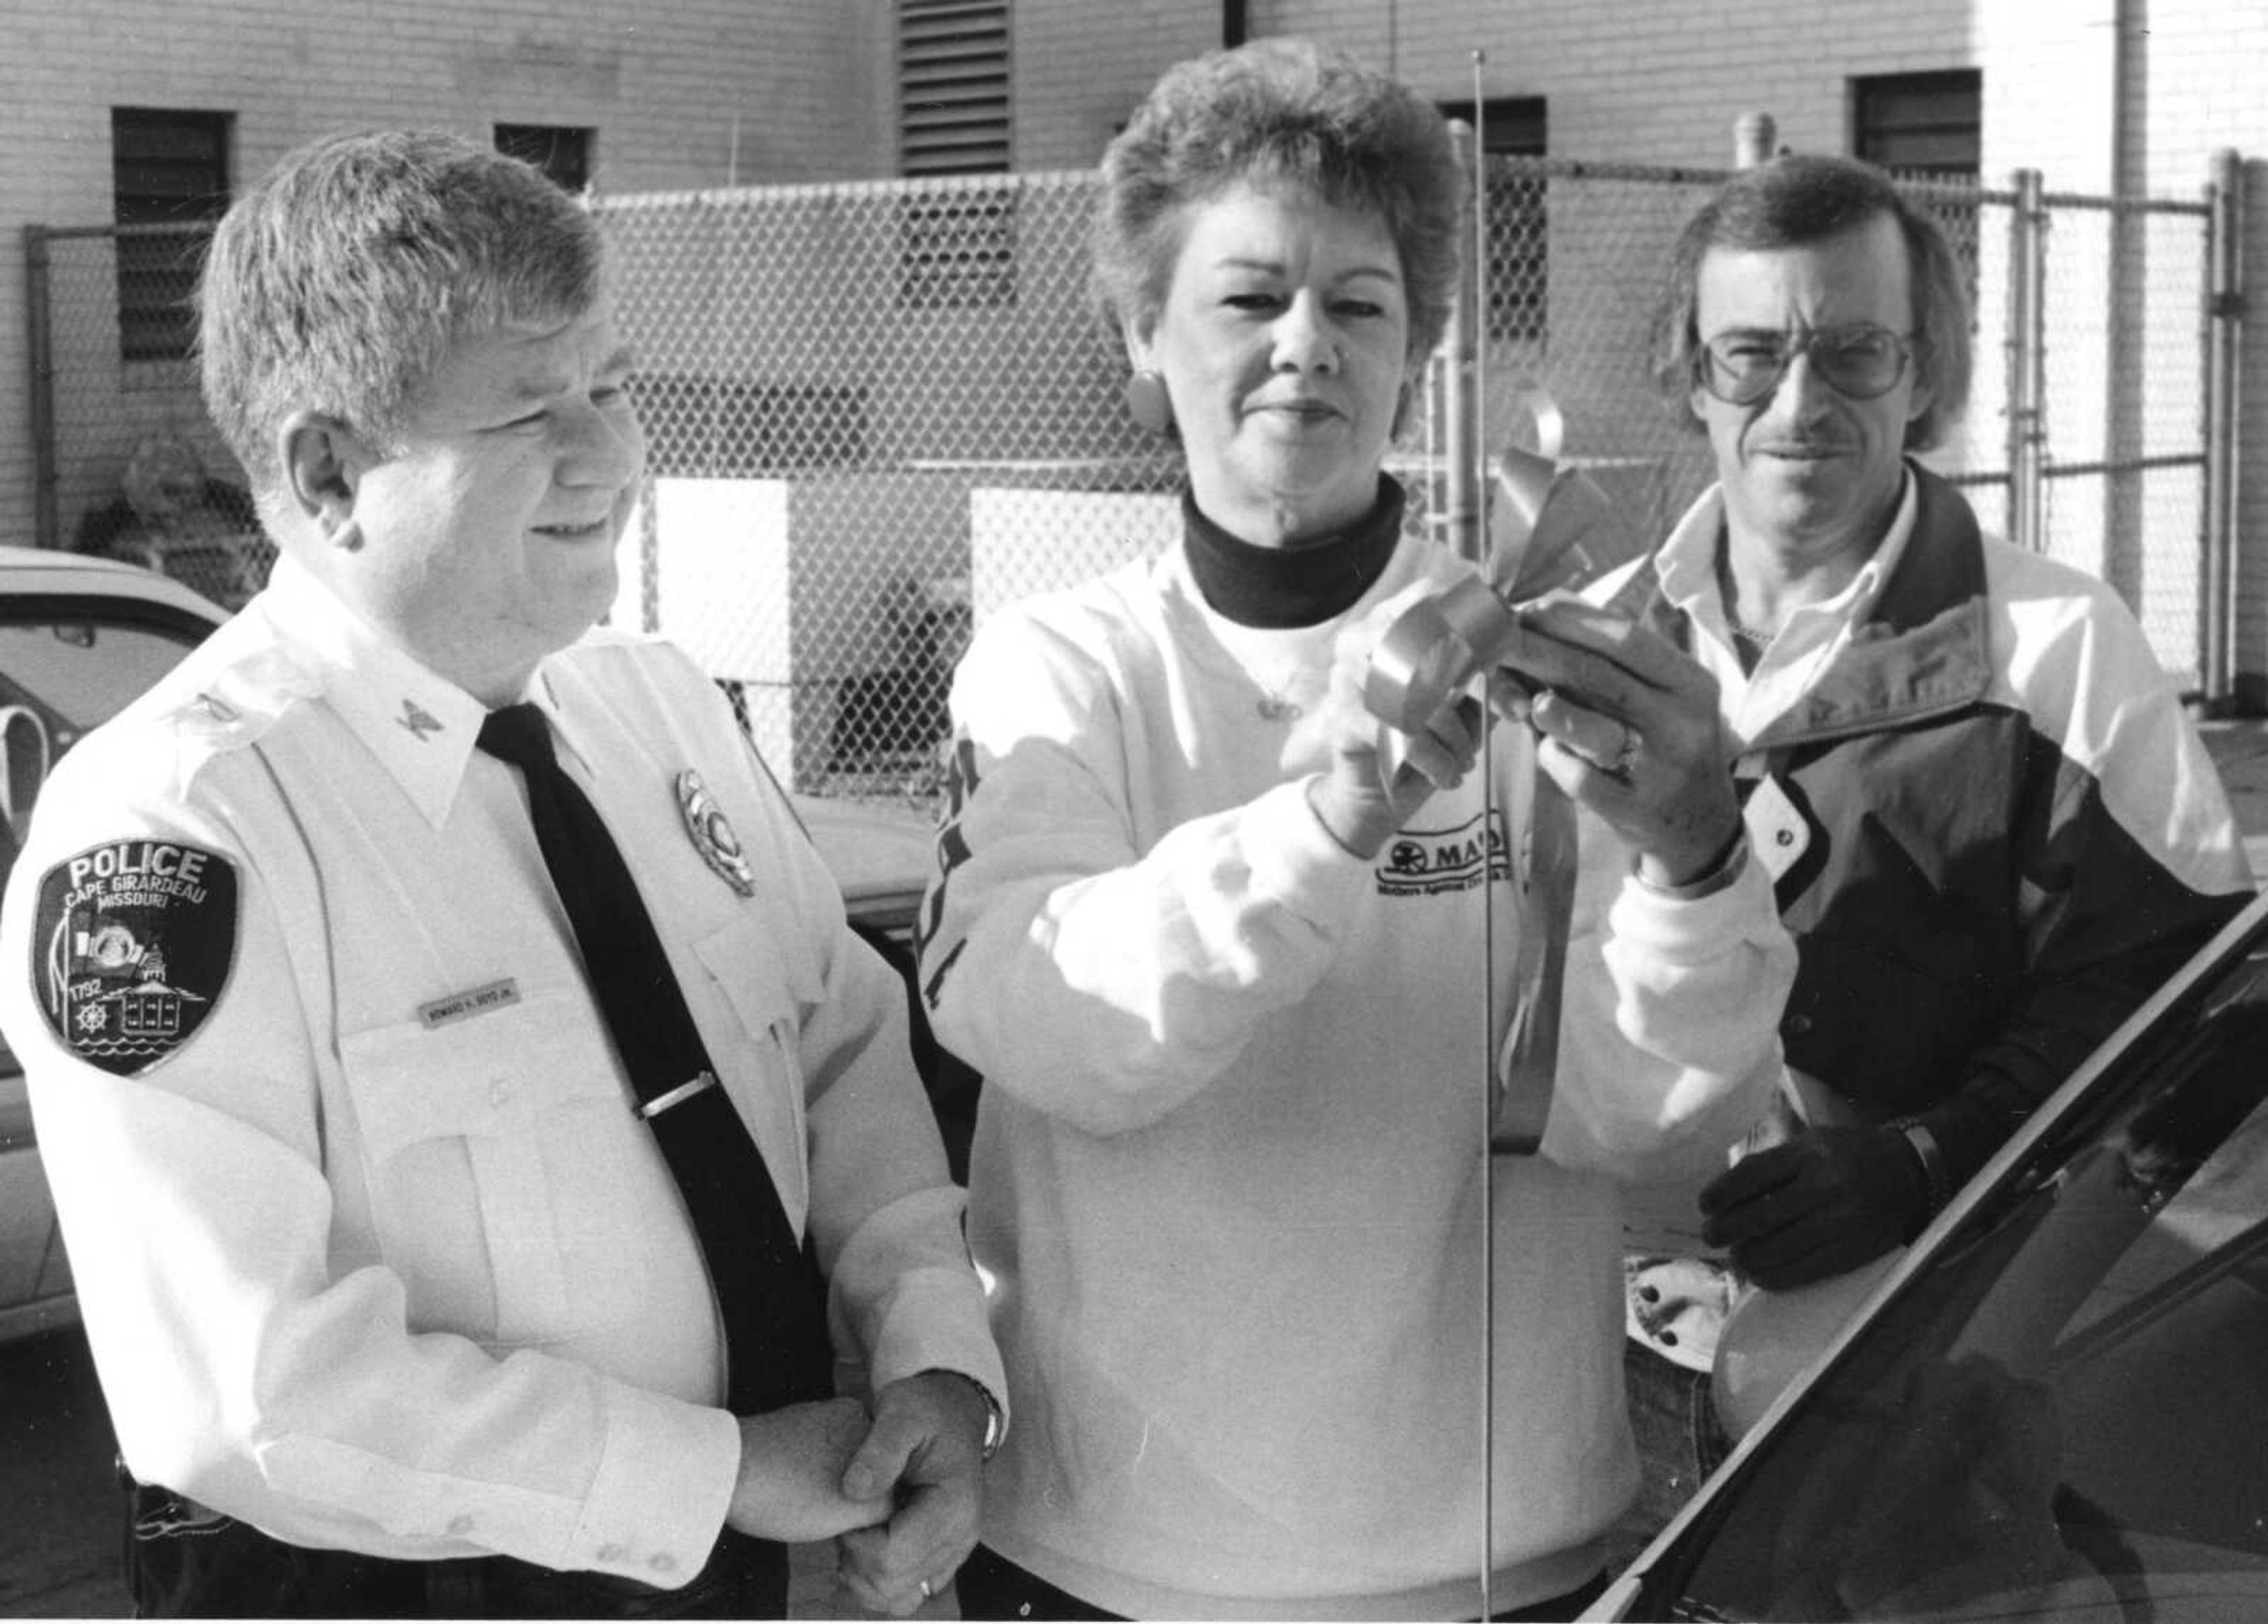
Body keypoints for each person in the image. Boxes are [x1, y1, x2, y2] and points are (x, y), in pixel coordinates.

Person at [0, 130, 1003, 1619]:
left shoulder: (653, 704)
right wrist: (709, 1478)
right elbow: (245, 1384)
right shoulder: (173, 834)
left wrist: (931, 1347)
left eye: (612, 386)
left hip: (757, 1565)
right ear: (332, 471)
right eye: (532, 411)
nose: (610, 458)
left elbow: (842, 1045)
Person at [914, 40, 1798, 1621]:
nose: (1305, 346)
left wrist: (1697, 860)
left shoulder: (1546, 648)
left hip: (1497, 1562)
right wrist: (1327, 822)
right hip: (1114, 1563)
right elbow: (1055, 1030)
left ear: (1426, 340)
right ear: (1142, 330)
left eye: (1360, 303)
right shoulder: (1056, 664)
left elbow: (1656, 1122)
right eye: (1250, 298)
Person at [1598, 151, 2254, 1555]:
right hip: (1596, 1398)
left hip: (1915, 1397)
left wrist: (1913, 1165)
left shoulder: (2056, 650)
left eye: (1854, 350)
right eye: (1753, 354)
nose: (1798, 402)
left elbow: (2183, 1023)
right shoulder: (1599, 651)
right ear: (1691, 376)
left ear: (1926, 373)